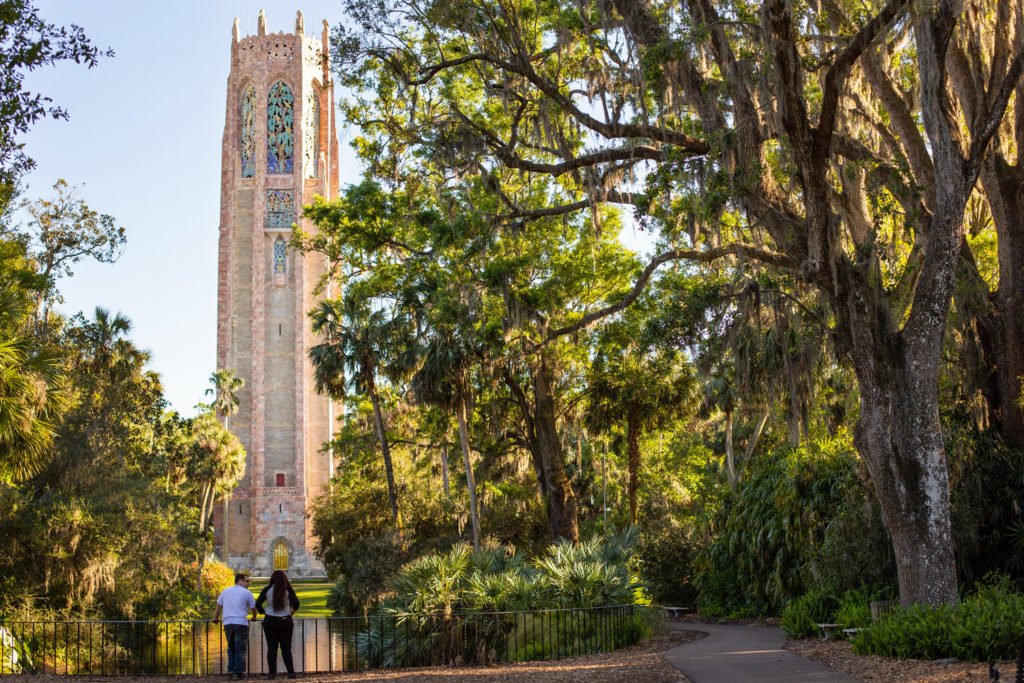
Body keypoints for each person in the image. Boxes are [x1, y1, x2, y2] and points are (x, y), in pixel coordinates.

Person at [255, 570, 300, 679]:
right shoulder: (288, 589)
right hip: (285, 621)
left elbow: (258, 604)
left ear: (272, 578)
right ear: (285, 579)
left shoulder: (267, 589)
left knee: (272, 648)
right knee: (286, 648)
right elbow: (297, 603)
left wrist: (264, 612)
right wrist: (291, 613)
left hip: (270, 621)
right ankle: (291, 673)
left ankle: (272, 674)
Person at [213, 574, 257, 679]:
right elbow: (253, 608)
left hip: (228, 622)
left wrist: (215, 618)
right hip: (240, 623)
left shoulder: (225, 591)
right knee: (240, 649)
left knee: (231, 648)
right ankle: (238, 673)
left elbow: (219, 605)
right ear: (240, 581)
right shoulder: (247, 593)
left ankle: (231, 670)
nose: (248, 583)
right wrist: (254, 616)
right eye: (247, 581)